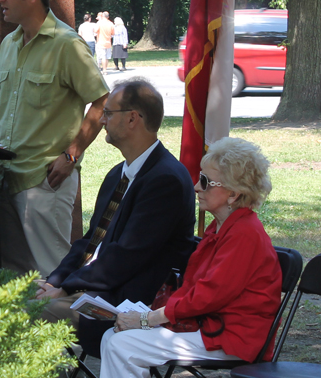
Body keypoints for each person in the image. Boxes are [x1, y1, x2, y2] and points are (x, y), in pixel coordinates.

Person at [0, 0, 109, 277]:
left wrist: (72, 154)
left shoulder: (67, 45)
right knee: (15, 278)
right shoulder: (9, 45)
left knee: (52, 276)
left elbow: (102, 101)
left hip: (44, 181)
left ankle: (65, 328)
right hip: (5, 178)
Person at [35, 79, 196, 357]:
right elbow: (90, 242)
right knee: (8, 291)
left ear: (133, 118)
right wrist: (56, 280)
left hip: (127, 304)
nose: (102, 120)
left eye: (108, 113)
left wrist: (66, 287)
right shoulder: (117, 173)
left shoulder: (165, 179)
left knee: (23, 311)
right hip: (94, 288)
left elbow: (127, 257)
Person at [100, 137, 282, 378]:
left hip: (231, 338)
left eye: (205, 181)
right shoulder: (224, 228)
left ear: (233, 195)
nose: (196, 186)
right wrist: (149, 318)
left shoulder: (245, 234)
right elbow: (195, 289)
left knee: (123, 344)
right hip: (208, 326)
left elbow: (207, 296)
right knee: (113, 336)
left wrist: (147, 319)